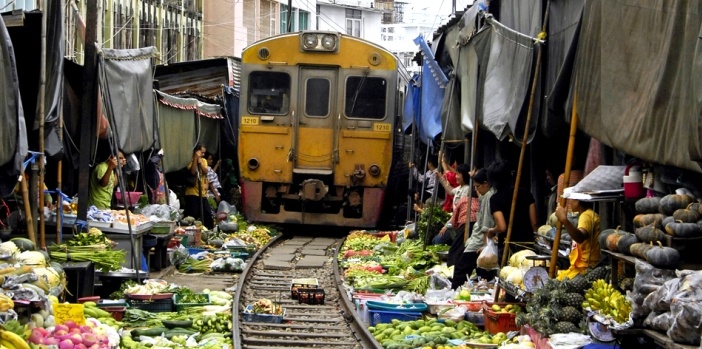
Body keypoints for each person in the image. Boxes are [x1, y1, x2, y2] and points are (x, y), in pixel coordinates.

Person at [452, 169, 495, 289]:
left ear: (486, 184)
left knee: (461, 267)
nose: (476, 189)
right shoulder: (486, 196)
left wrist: (485, 245)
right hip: (477, 240)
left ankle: (455, 292)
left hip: (478, 241)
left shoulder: (488, 197)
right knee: (482, 271)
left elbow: (486, 225)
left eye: (477, 186)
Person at [486, 160, 538, 257]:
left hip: (508, 246)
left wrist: (491, 231)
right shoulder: (525, 193)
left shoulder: (495, 199)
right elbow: (534, 222)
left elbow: (501, 227)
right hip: (528, 245)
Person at [556, 199, 601, 280]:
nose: (568, 202)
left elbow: (580, 237)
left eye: (571, 199)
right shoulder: (585, 214)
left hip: (585, 268)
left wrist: (564, 220)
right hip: (579, 267)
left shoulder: (587, 215)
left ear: (578, 201)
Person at [184, 143, 214, 229]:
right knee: (193, 215)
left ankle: (208, 230)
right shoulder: (190, 160)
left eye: (204, 153)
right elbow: (193, 172)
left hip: (202, 193)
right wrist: (195, 159)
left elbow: (206, 172)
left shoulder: (204, 161)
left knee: (207, 214)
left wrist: (200, 163)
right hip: (192, 193)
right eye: (201, 152)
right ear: (196, 152)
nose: (203, 154)